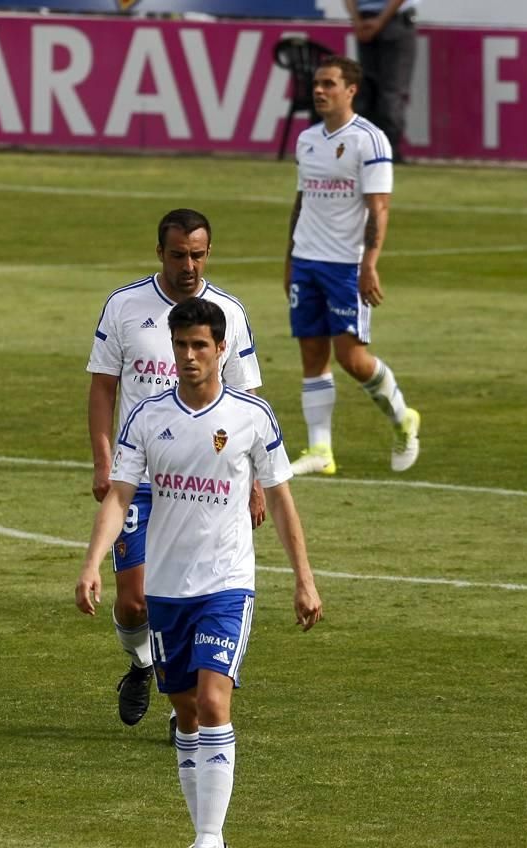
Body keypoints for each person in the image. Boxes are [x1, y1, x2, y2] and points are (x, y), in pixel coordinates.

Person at [76, 297, 322, 848]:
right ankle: (202, 835)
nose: (188, 357)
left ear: (220, 351)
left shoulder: (252, 417)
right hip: (165, 589)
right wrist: (91, 564)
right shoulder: (146, 419)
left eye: (200, 347)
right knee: (186, 715)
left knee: (213, 704)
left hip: (226, 585)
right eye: (181, 346)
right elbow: (119, 496)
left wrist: (304, 579)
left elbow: (282, 500)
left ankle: (209, 843)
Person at [86, 209, 264, 732]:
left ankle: (180, 708)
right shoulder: (125, 306)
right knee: (135, 601)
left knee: (193, 592)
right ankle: (142, 666)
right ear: (159, 253)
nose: (189, 265)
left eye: (198, 254)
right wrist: (103, 462)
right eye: (179, 254)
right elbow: (103, 387)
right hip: (140, 477)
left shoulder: (227, 312)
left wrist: (254, 482)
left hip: (205, 484)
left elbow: (248, 404)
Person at [283, 53, 420, 477]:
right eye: (317, 84)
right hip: (306, 260)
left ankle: (403, 418)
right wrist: (288, 258)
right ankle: (321, 450)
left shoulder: (370, 140)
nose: (319, 90)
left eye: (329, 84)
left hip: (345, 265)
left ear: (351, 90)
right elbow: (302, 199)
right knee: (311, 351)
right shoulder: (307, 140)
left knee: (352, 358)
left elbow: (379, 208)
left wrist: (370, 264)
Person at [344, 0, 418, 164]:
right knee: (392, 91)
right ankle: (388, 151)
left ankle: (368, 150)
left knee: (368, 91)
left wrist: (357, 22)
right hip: (394, 20)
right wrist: (380, 22)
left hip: (364, 19)